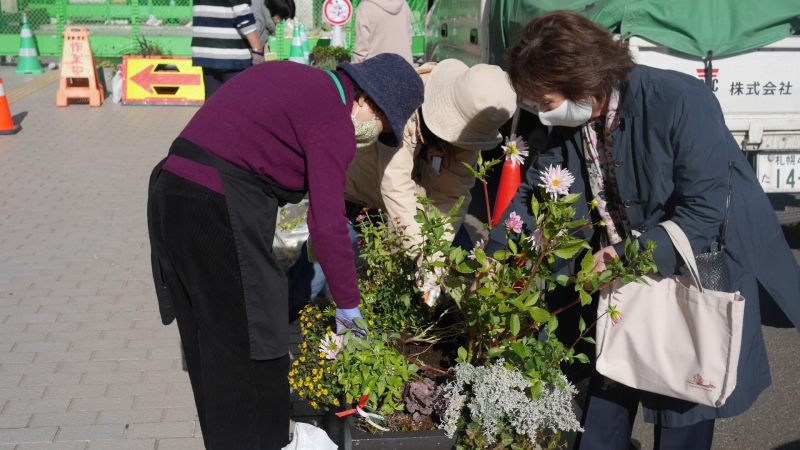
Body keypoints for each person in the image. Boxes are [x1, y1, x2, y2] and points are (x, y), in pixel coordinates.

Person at [488, 11, 800, 450]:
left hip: (684, 280)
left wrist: (627, 256)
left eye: (546, 100)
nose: (542, 112)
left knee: (681, 416)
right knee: (598, 422)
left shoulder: (679, 100)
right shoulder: (574, 122)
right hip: (613, 291)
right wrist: (495, 257)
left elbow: (704, 210)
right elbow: (536, 194)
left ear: (581, 80)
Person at [147, 54, 423, 450]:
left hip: (173, 192)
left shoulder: (305, 83)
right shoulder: (333, 116)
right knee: (255, 339)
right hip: (215, 204)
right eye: (382, 127)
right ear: (367, 99)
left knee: (212, 346)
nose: (370, 137)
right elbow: (327, 225)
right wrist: (349, 306)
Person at [286, 59, 517, 322]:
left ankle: (456, 330)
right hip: (358, 196)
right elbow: (395, 184)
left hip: (415, 203)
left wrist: (436, 253)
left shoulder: (474, 123)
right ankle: (268, 330)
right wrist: (424, 256)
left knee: (462, 267)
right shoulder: (404, 98)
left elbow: (453, 194)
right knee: (307, 283)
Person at [192, 0, 273, 99]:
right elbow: (243, 15)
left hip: (206, 51)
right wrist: (258, 49)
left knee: (213, 103)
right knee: (236, 102)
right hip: (232, 55)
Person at [352, 0, 413, 64]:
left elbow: (361, 50)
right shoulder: (404, 4)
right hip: (405, 66)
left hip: (376, 67)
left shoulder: (365, 7)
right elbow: (409, 41)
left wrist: (354, 67)